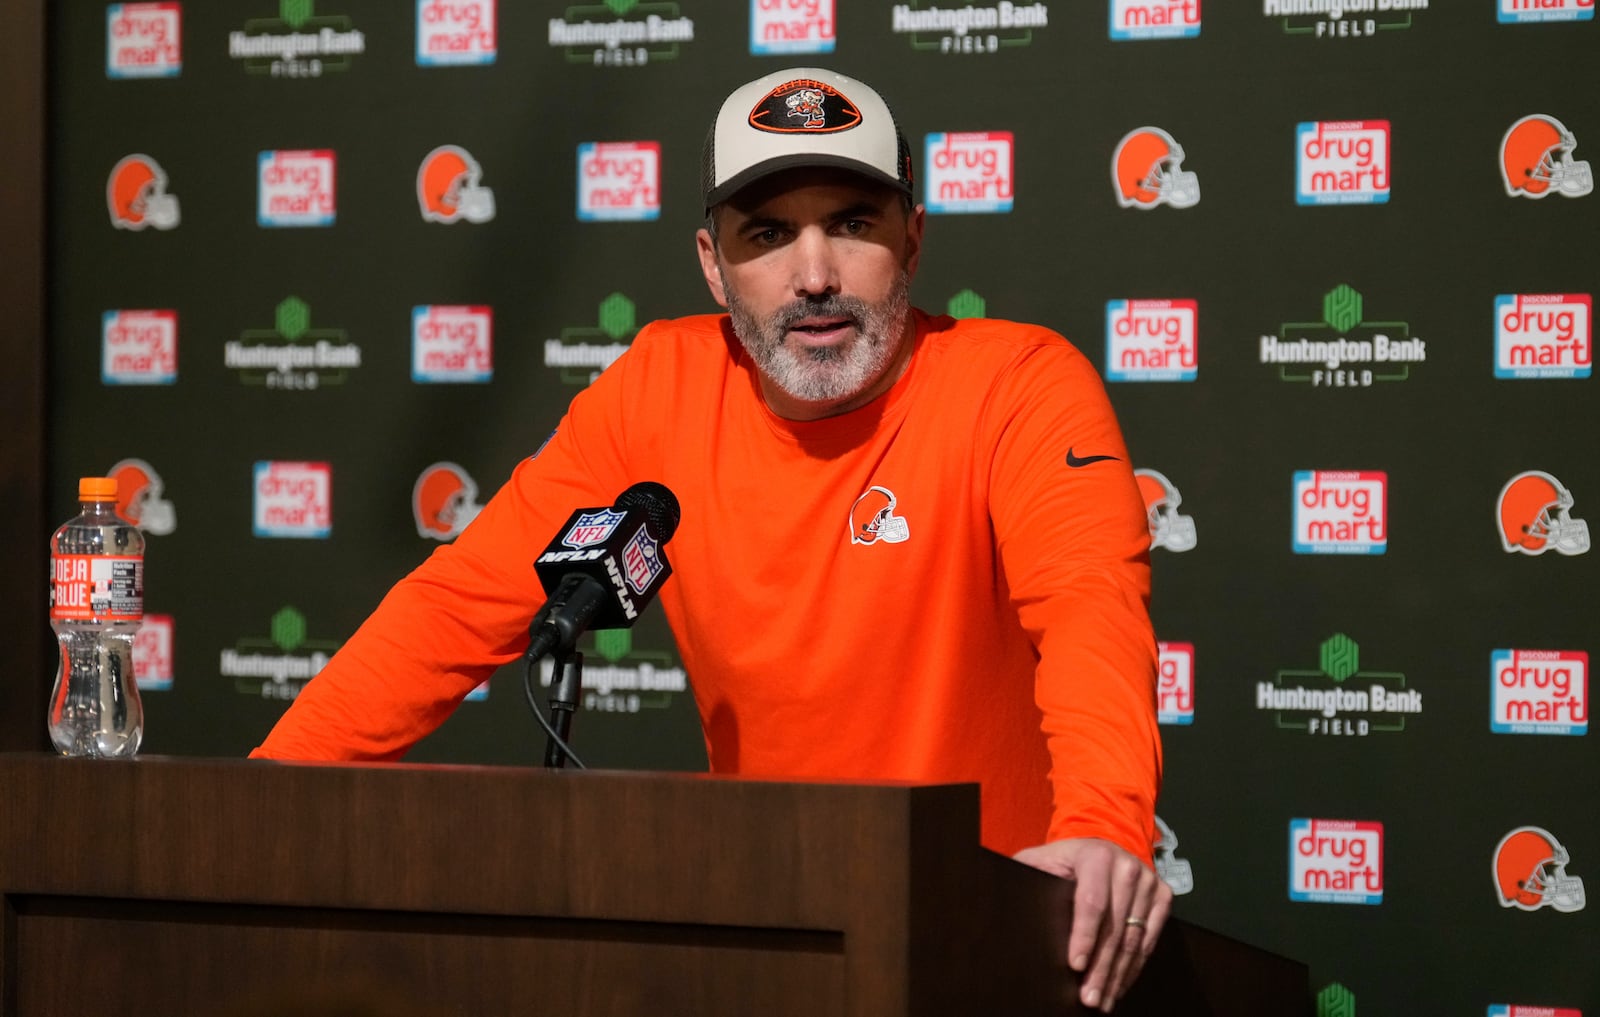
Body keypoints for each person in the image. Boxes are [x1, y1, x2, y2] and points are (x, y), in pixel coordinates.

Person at [252, 67, 1168, 1012]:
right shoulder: (659, 389)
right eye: (767, 236)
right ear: (710, 262)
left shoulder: (1018, 384)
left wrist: (1102, 828)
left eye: (852, 224)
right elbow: (456, 607)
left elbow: (1090, 609)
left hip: (993, 949)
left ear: (914, 239)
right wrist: (261, 802)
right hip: (772, 945)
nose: (814, 276)